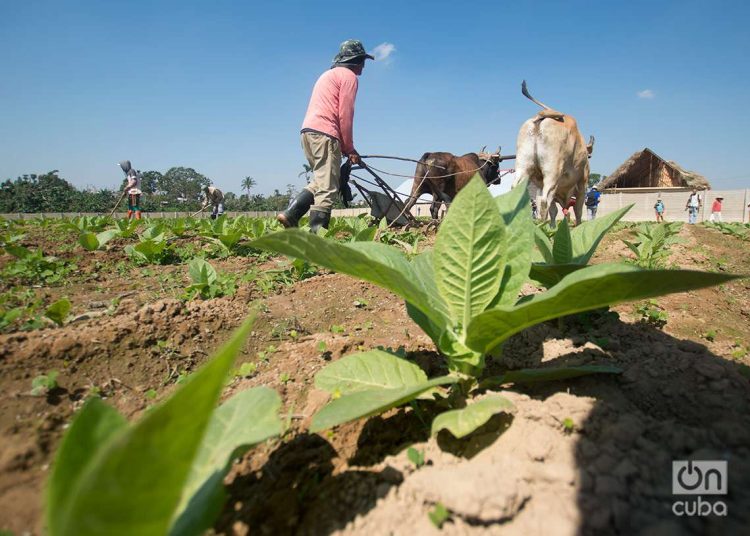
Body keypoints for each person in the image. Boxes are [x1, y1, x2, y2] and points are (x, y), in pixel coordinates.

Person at [277, 39, 374, 233]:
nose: (364, 65)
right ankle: (317, 237)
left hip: (308, 132)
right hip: (325, 134)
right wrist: (350, 147)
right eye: (363, 60)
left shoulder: (328, 75)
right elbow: (345, 113)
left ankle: (291, 214)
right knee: (328, 189)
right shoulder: (349, 76)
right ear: (355, 60)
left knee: (323, 181)